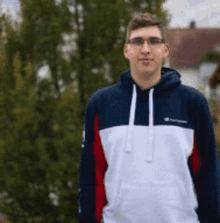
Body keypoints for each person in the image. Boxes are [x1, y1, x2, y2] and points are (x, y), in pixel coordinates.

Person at [78, 13, 220, 223]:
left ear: (165, 50)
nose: (145, 49)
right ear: (127, 50)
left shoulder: (193, 103)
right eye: (137, 41)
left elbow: (208, 177)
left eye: (154, 41)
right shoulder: (101, 104)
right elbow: (91, 177)